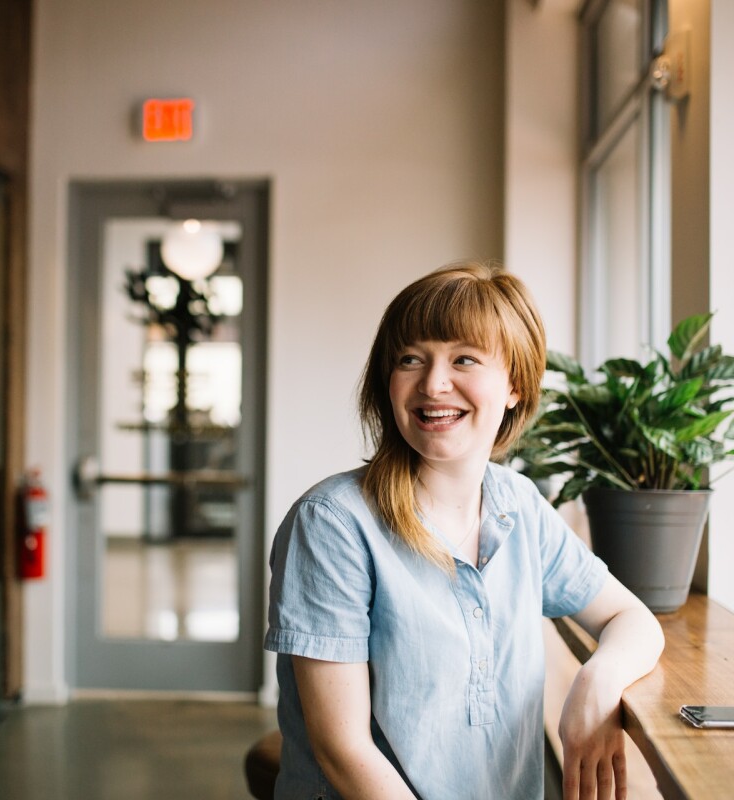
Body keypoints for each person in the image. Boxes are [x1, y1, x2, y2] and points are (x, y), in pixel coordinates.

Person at [265, 263, 664, 800]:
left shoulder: (518, 504)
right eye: (410, 359)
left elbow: (631, 618)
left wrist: (597, 681)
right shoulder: (332, 522)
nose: (433, 384)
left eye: (464, 359)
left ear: (515, 386)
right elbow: (344, 751)